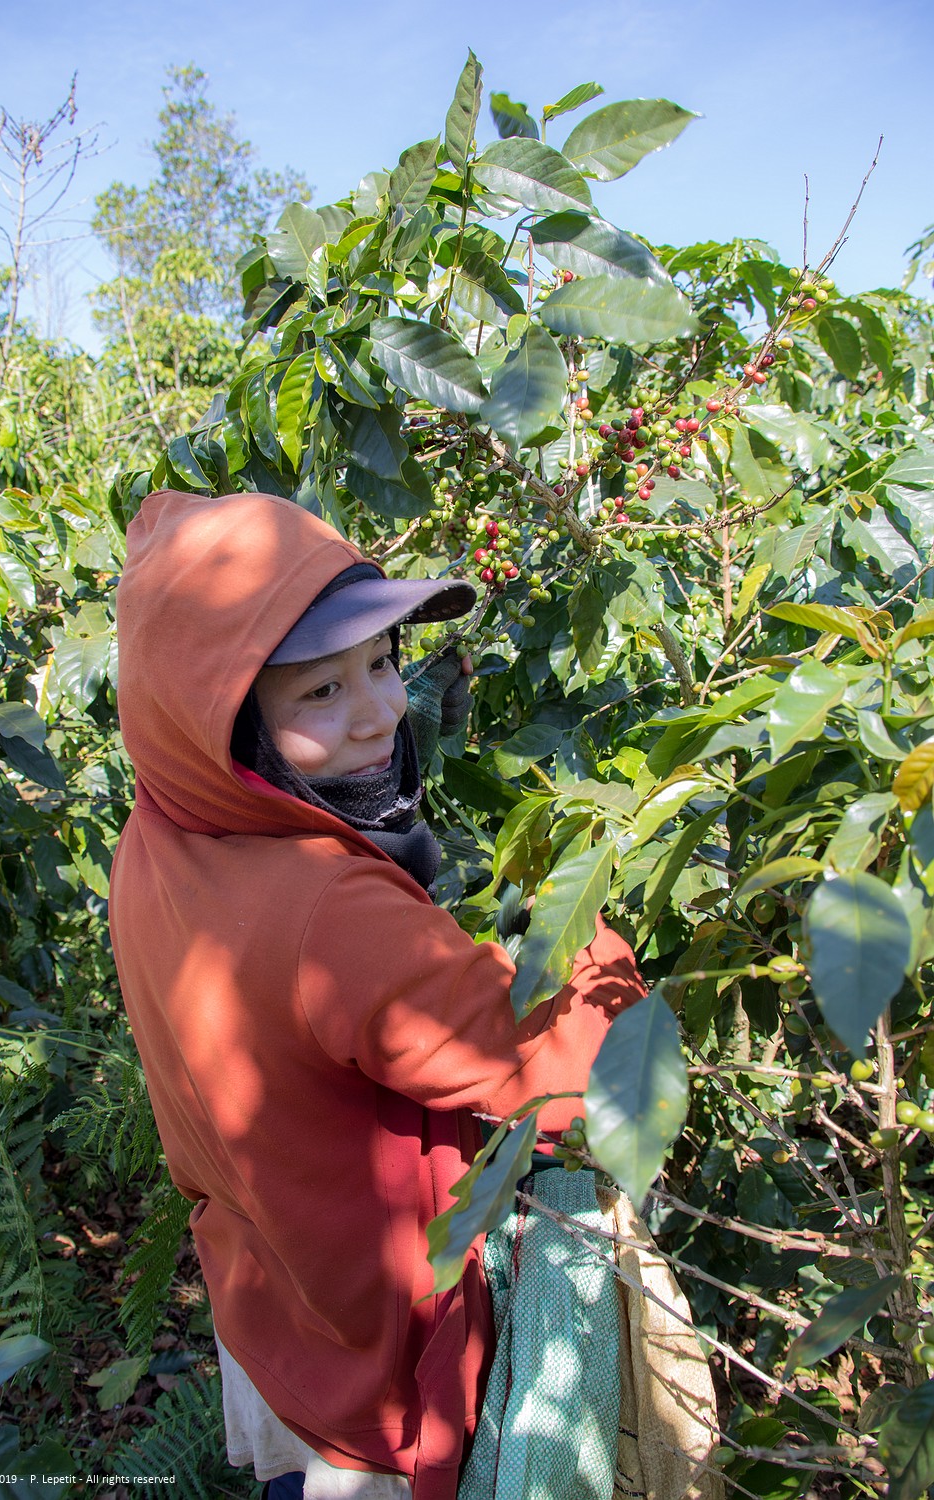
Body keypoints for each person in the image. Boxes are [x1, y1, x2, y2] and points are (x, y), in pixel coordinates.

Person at [109, 488, 645, 1500]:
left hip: (277, 1314)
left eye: (383, 661)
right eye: (320, 691)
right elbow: (575, 1073)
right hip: (378, 1384)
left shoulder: (160, 834)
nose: (382, 712)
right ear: (218, 723)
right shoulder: (330, 913)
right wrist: (587, 930)